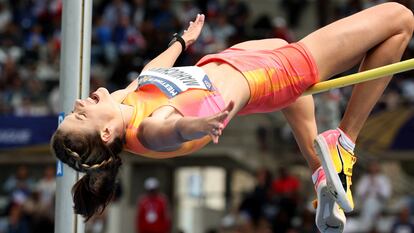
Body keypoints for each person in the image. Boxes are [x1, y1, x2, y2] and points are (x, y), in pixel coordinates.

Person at [51, 3, 414, 232]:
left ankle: (321, 174)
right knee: (400, 19)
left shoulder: (121, 103)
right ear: (105, 134)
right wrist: (200, 124)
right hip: (269, 75)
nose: (80, 103)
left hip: (235, 61)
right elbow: (171, 128)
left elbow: (149, 74)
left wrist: (181, 42)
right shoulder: (147, 129)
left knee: (279, 46)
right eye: (81, 115)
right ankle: (345, 142)